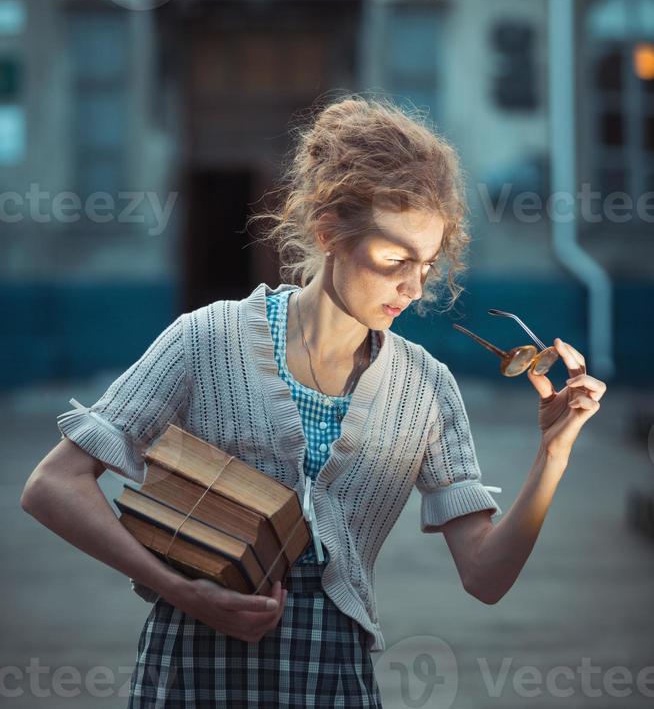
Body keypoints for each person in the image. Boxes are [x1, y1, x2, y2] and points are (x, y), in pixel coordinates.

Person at [21, 94, 607, 708]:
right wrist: (184, 590)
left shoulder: (426, 389)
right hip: (191, 675)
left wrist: (553, 454)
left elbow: (485, 578)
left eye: (427, 266)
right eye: (392, 259)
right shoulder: (208, 338)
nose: (411, 287)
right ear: (329, 232)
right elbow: (53, 485)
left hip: (333, 684)